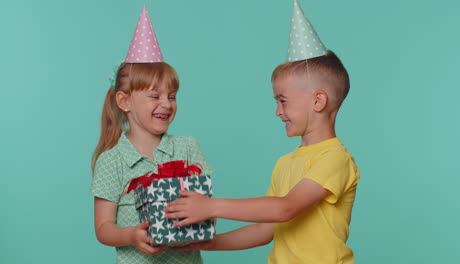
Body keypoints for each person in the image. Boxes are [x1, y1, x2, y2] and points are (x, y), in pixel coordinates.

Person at [164, 1, 360, 263]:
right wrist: (206, 244)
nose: (278, 112)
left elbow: (285, 209)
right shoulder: (285, 164)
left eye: (283, 100)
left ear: (318, 101)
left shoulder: (335, 159)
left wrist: (211, 206)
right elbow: (264, 229)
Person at [90, 6, 212, 264]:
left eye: (172, 96)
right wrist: (131, 235)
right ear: (124, 101)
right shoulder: (112, 161)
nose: (166, 104)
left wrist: (204, 218)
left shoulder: (187, 147)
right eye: (154, 97)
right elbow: (103, 228)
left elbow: (206, 206)